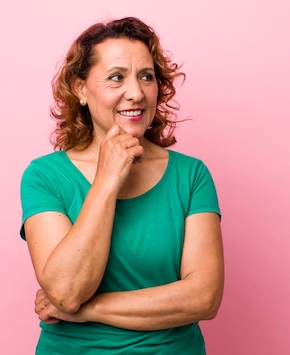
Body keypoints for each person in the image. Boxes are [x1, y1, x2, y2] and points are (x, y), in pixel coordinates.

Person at [19, 17, 224, 354]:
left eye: (146, 77)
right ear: (80, 89)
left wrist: (86, 311)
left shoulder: (191, 176)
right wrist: (107, 179)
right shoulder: (44, 176)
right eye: (116, 77)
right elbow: (67, 290)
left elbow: (204, 298)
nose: (136, 93)